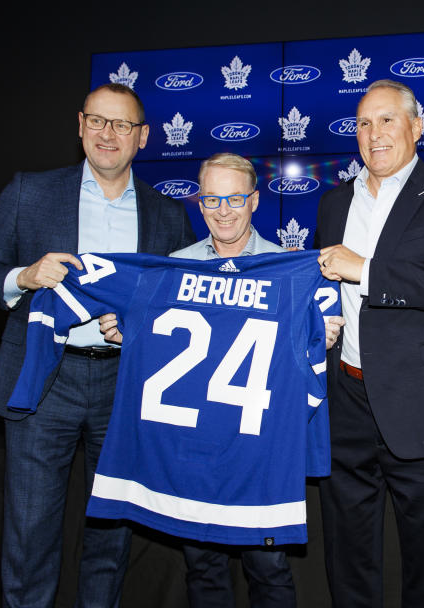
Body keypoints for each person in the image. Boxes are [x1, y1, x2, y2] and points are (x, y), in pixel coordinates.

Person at [0, 82, 196, 607]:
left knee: (110, 535)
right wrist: (24, 275)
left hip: (125, 384)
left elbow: (181, 305)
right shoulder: (29, 191)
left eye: (121, 125)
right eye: (97, 121)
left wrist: (138, 324)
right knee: (29, 531)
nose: (107, 134)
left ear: (143, 137)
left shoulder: (167, 215)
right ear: (80, 125)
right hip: (43, 380)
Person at [99, 152, 343, 608]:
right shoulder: (172, 268)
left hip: (259, 453)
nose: (223, 210)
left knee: (268, 571)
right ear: (199, 201)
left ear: (254, 201)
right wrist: (126, 332)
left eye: (234, 198)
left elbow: (311, 345)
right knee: (203, 568)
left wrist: (318, 336)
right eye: (212, 199)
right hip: (194, 450)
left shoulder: (289, 272)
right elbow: (151, 342)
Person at [314, 79, 424, 607]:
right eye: (364, 123)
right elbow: (323, 285)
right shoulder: (333, 202)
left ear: (417, 126)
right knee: (347, 558)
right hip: (345, 400)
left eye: (388, 120)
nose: (375, 134)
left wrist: (365, 270)